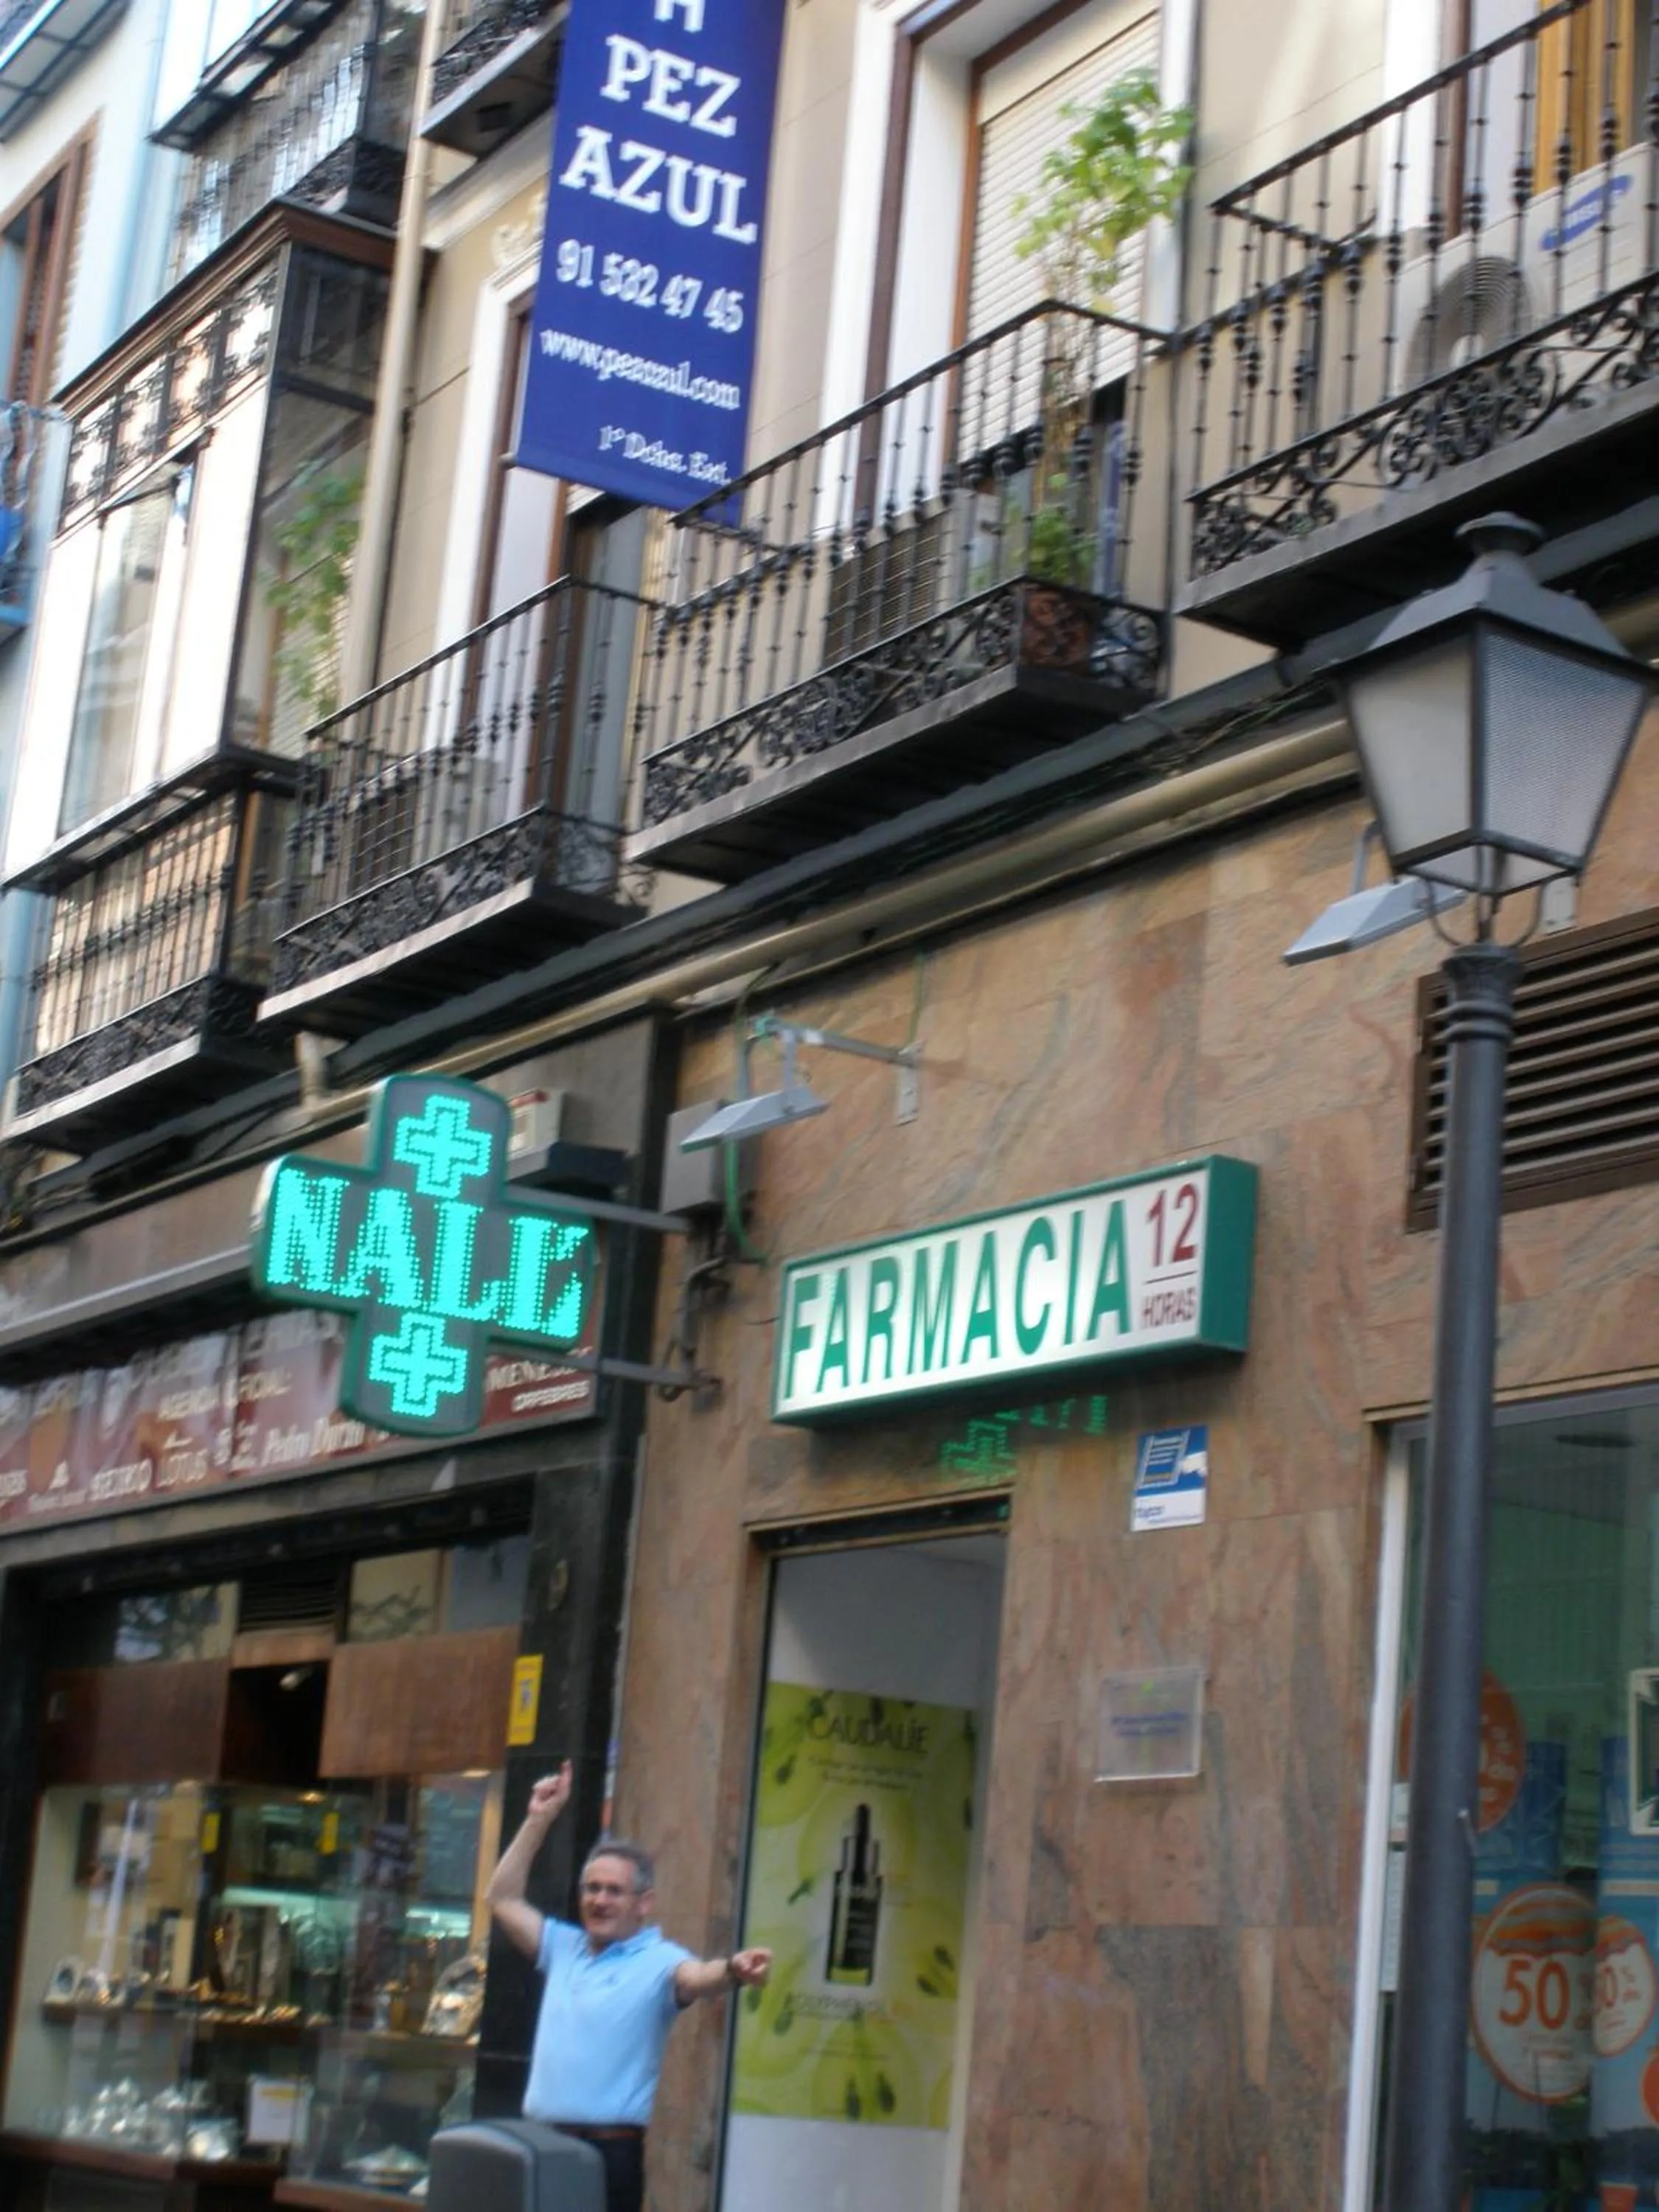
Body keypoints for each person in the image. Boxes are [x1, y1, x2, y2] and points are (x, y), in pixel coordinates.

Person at [487, 1761, 771, 2212]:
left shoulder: (660, 1960)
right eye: (592, 1889)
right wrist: (539, 1819)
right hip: (539, 2145)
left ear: (644, 1904)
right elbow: (502, 1898)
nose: (599, 1900)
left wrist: (733, 1970)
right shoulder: (564, 1946)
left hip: (607, 2154)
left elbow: (697, 1978)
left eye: (614, 1891)